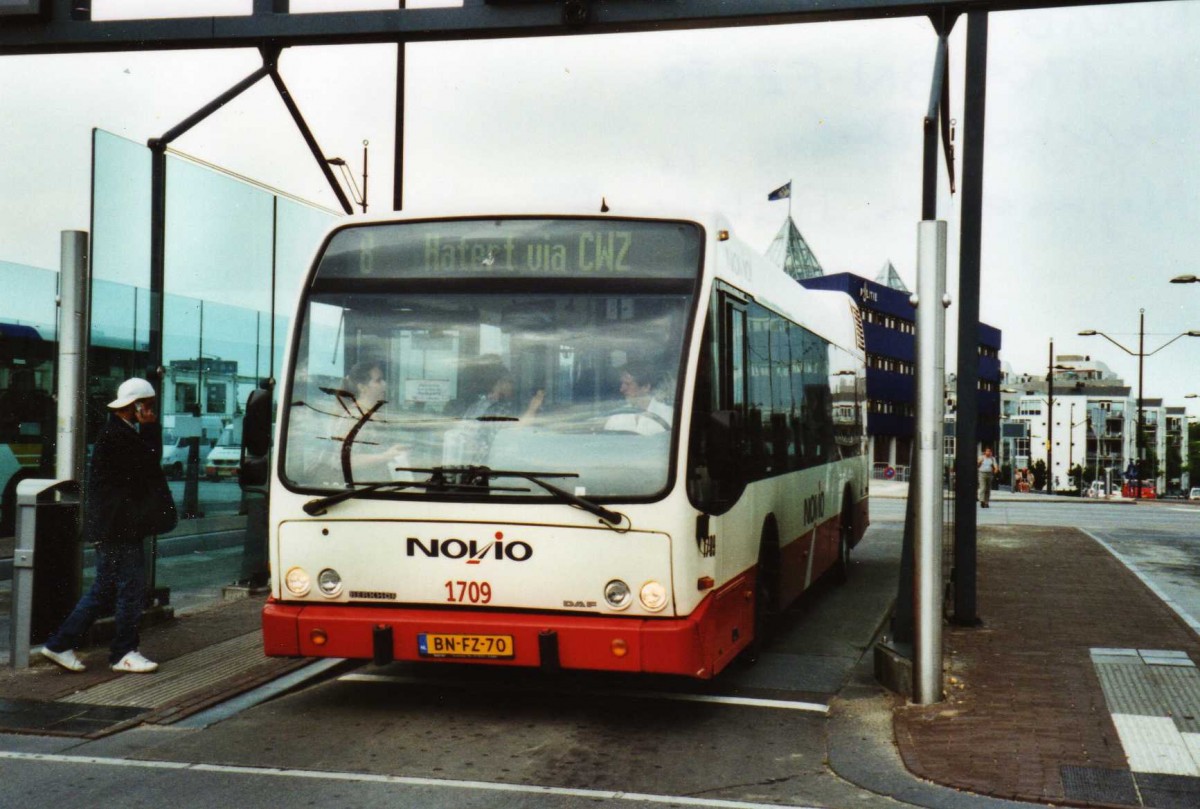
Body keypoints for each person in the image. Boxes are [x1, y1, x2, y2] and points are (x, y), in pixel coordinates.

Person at [39, 377, 177, 674]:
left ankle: (60, 644)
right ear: (135, 406)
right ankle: (123, 652)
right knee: (130, 588)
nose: (151, 411)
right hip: (119, 529)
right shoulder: (119, 436)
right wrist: (151, 427)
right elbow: (151, 464)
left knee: (105, 588)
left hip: (116, 526)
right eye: (148, 406)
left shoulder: (117, 433)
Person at [605, 362, 672, 435]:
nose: (622, 389)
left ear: (646, 387)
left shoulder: (667, 414)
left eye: (628, 384)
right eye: (622, 384)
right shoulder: (618, 416)